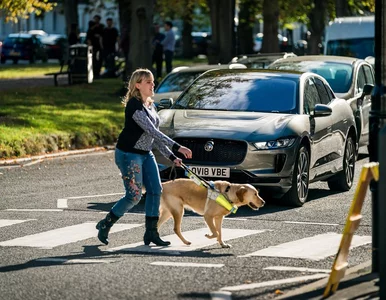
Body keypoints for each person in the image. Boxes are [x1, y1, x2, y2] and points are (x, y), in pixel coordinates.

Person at [96, 68, 192, 247]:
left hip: (146, 153)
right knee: (134, 196)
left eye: (153, 82)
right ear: (137, 85)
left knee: (156, 190)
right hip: (129, 154)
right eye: (148, 82)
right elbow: (152, 131)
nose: (152, 85)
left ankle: (151, 233)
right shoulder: (134, 105)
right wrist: (178, 147)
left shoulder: (150, 104)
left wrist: (172, 157)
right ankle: (106, 224)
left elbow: (153, 138)